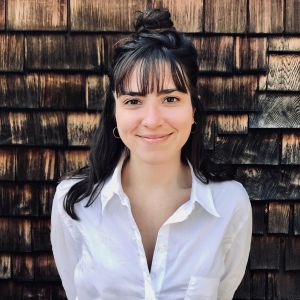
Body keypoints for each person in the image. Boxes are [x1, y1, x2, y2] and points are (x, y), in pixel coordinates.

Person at [50, 8, 252, 300]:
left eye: (170, 98)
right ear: (115, 112)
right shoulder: (74, 203)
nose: (152, 119)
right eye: (134, 100)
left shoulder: (230, 203)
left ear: (193, 108)